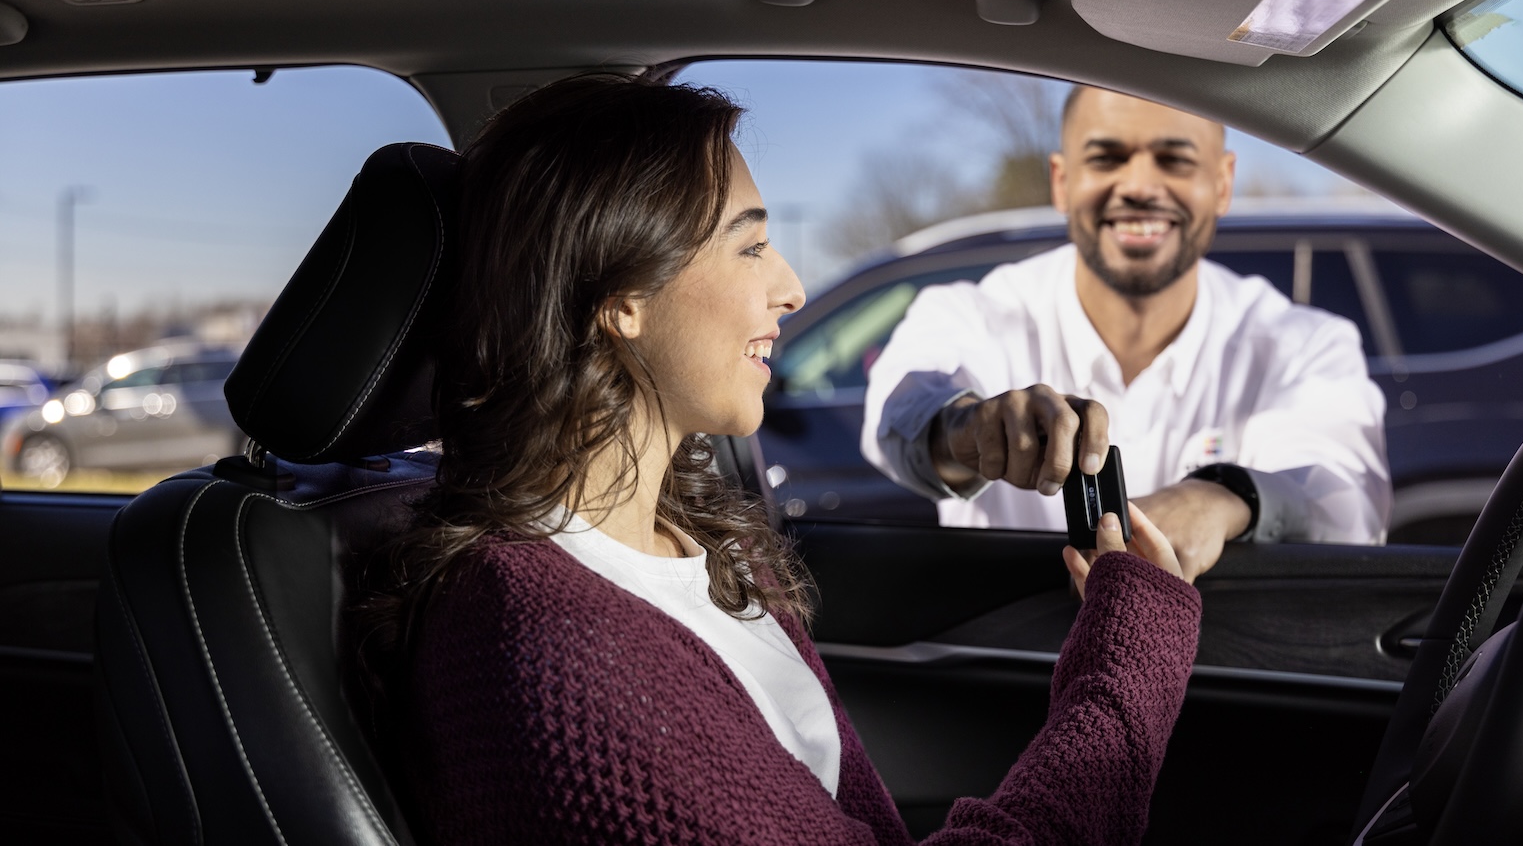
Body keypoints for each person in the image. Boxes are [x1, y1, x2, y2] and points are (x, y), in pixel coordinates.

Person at [354, 74, 1201, 846]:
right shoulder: (563, 662)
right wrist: (1127, 675)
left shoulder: (695, 540)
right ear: (620, 300)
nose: (792, 287)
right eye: (751, 246)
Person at [861, 87, 1390, 579]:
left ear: (1223, 183)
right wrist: (966, 430)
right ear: (1062, 182)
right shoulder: (973, 313)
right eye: (1107, 158)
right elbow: (897, 412)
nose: (1138, 187)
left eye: (1175, 159)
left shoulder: (1301, 342)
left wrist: (1226, 497)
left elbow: (1349, 501)